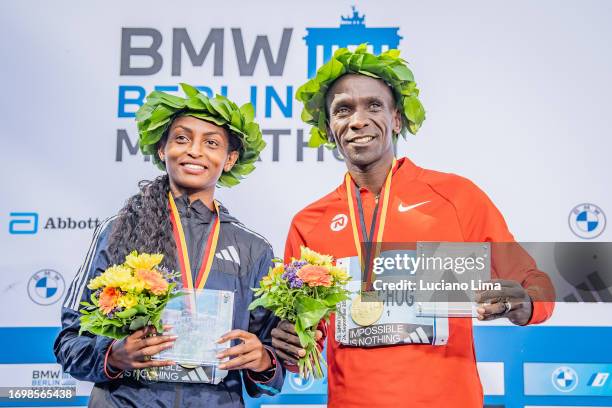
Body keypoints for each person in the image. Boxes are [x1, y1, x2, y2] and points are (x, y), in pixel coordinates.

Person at [271, 45, 555, 407]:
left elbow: (536, 282)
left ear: (397, 119)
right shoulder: (309, 223)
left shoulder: (457, 197)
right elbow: (303, 347)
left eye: (373, 106)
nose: (358, 120)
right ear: (330, 129)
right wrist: (292, 343)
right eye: (343, 110)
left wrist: (525, 302)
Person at [54, 84, 284, 407]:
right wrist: (114, 355)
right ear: (162, 149)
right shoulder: (118, 230)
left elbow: (272, 374)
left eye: (211, 143)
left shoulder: (253, 249)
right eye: (182, 138)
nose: (194, 150)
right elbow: (69, 341)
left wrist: (262, 360)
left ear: (230, 159)